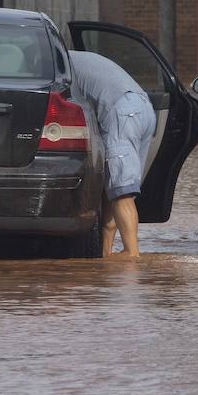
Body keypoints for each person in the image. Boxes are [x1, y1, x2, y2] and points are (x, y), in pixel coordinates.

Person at [68, 50, 156, 258]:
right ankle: (106, 252)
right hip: (143, 108)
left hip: (122, 112)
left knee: (122, 192)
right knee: (115, 190)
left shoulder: (60, 62)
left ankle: (131, 253)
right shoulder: (79, 59)